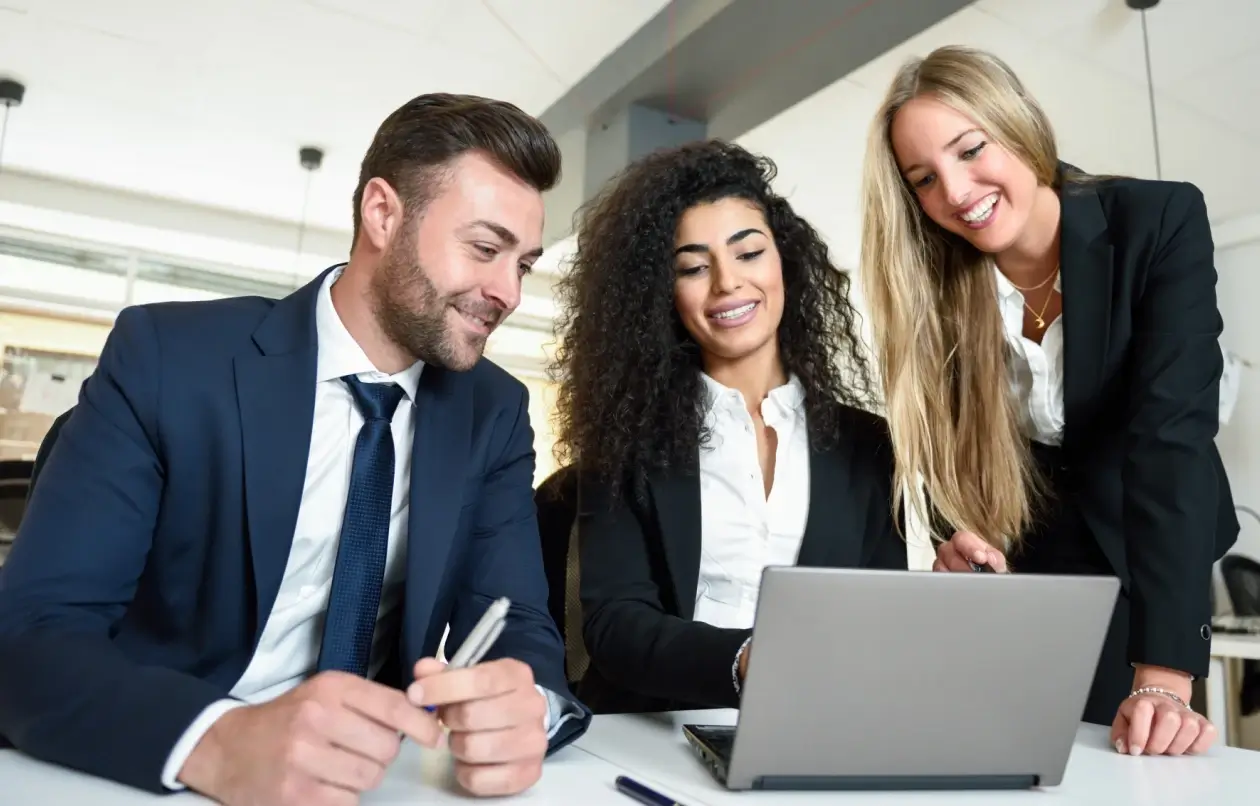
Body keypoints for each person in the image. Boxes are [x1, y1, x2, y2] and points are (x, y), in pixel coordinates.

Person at [0, 93, 591, 803]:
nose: (509, 292)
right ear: (383, 214)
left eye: (524, 264)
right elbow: (31, 635)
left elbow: (515, 621)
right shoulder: (169, 358)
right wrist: (219, 742)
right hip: (159, 768)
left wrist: (529, 708)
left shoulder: (493, 410)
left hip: (367, 780)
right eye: (486, 249)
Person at [859, 45, 1237, 757]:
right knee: (1014, 750)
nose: (957, 191)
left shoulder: (1156, 219)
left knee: (1135, 750)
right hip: (1030, 546)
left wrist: (1164, 671)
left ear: (1018, 122)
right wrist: (955, 536)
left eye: (971, 149)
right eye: (925, 179)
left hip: (1148, 534)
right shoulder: (935, 283)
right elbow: (939, 433)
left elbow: (1171, 436)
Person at [550, 139, 907, 715]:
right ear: (663, 295)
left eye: (748, 253)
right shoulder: (627, 443)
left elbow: (878, 616)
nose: (727, 283)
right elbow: (614, 622)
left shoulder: (869, 446)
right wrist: (740, 660)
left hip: (808, 727)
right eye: (693, 267)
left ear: (784, 261)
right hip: (651, 729)